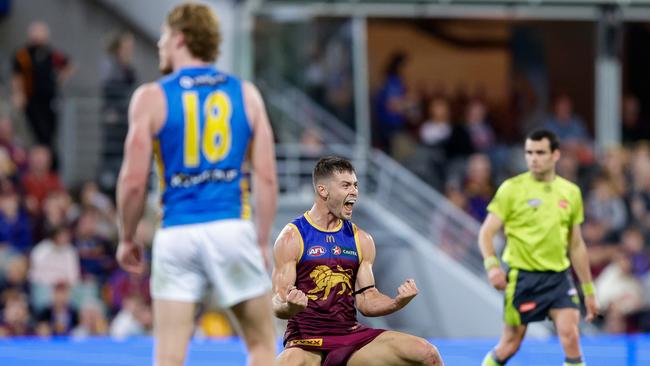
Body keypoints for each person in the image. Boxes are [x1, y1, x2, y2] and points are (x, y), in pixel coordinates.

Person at [115, 3, 277, 366]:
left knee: (169, 358)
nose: (159, 44)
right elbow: (265, 176)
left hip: (177, 232)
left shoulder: (151, 97)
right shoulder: (246, 94)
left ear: (179, 37)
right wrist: (263, 239)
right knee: (263, 348)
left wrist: (127, 236)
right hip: (230, 227)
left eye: (163, 36)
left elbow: (133, 180)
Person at [273, 156, 443, 366]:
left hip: (349, 338)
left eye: (355, 185)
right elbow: (277, 302)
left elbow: (366, 299)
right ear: (323, 190)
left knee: (427, 353)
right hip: (307, 342)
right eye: (345, 185)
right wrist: (290, 306)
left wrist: (396, 302)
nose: (354, 191)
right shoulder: (293, 237)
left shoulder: (361, 239)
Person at [478, 129, 599, 366]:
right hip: (523, 279)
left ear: (555, 155)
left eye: (540, 152)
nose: (533, 158)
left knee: (571, 336)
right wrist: (492, 267)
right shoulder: (511, 189)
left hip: (558, 279)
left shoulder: (570, 192)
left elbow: (576, 245)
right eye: (529, 152)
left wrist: (589, 290)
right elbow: (486, 233)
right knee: (510, 345)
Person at [12, 21, 73, 152]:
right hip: (31, 100)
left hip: (49, 100)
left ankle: (49, 163)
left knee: (49, 136)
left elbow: (68, 64)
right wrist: (18, 93)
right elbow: (17, 76)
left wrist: (58, 80)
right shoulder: (23, 55)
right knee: (37, 135)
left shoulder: (51, 54)